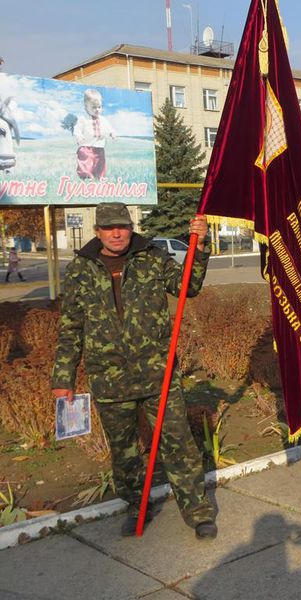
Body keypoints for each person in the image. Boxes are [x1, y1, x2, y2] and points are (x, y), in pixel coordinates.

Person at [51, 202, 217, 539]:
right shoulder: (81, 269)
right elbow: (70, 329)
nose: (116, 233)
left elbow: (189, 286)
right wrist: (62, 378)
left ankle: (198, 512)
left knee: (179, 443)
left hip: (158, 373)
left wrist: (199, 248)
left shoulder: (152, 257)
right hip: (108, 377)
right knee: (124, 450)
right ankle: (135, 505)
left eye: (122, 227)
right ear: (97, 231)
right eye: (109, 227)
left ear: (131, 227)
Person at [74, 89, 116, 180]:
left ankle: (99, 177)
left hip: (99, 146)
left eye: (99, 107)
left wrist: (112, 132)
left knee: (100, 162)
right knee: (85, 161)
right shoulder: (83, 119)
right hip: (86, 146)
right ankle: (86, 176)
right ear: (86, 107)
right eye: (93, 107)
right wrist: (79, 136)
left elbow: (109, 127)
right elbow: (77, 129)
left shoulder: (103, 119)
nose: (97, 110)